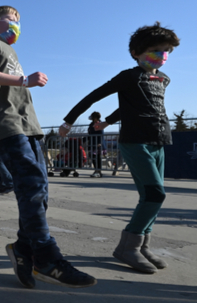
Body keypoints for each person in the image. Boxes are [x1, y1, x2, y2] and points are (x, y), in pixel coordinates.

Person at [0, 5, 96, 288]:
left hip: (28, 128)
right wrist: (24, 80)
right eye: (10, 20)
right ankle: (46, 255)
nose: (16, 25)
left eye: (18, 21)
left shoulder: (11, 52)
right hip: (6, 125)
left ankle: (23, 250)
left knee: (39, 191)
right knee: (32, 187)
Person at [60, 22, 180, 274]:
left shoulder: (164, 79)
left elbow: (130, 105)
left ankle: (142, 245)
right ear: (136, 52)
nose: (163, 55)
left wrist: (108, 121)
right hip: (135, 141)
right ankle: (128, 247)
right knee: (155, 194)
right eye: (156, 50)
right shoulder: (129, 76)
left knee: (151, 197)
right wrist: (69, 120)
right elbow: (94, 96)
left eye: (167, 50)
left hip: (159, 141)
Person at [87, 111, 106, 178]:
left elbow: (101, 134)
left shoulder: (99, 124)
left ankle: (98, 171)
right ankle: (97, 170)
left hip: (97, 144)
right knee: (93, 157)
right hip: (92, 143)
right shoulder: (91, 124)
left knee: (97, 157)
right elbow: (89, 134)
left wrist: (99, 143)